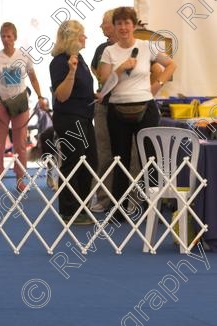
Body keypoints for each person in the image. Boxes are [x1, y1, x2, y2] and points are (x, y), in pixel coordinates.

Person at [98, 7, 176, 220]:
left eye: (127, 23)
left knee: (149, 159)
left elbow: (170, 64)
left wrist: (157, 85)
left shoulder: (147, 46)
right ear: (114, 27)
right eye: (119, 23)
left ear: (134, 25)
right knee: (120, 159)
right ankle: (119, 209)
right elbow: (105, 83)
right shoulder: (109, 51)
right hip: (117, 109)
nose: (123, 27)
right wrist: (120, 68)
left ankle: (153, 210)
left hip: (146, 108)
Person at [49, 20, 97, 225]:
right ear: (72, 38)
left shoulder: (80, 59)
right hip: (69, 118)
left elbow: (81, 90)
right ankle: (69, 210)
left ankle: (83, 206)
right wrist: (71, 72)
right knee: (73, 162)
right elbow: (62, 95)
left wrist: (95, 95)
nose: (85, 38)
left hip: (85, 117)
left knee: (90, 162)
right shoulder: (60, 62)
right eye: (82, 35)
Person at [0, 22, 49, 192]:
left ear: (15, 37)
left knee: (20, 144)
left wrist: (41, 96)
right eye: (3, 36)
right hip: (1, 105)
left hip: (20, 105)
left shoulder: (24, 56)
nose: (6, 39)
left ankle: (20, 179)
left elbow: (33, 78)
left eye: (9, 36)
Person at [90, 9, 116, 213]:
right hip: (104, 106)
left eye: (103, 23)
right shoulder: (101, 49)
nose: (100, 26)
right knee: (104, 153)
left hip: (126, 106)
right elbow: (94, 69)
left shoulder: (134, 46)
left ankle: (128, 199)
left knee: (130, 155)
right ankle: (104, 198)